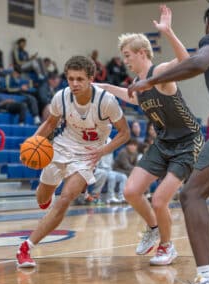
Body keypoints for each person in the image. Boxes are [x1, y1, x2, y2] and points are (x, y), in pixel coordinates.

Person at [129, 2, 209, 284]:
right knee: (188, 192)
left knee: (192, 193)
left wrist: (152, 80)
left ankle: (208, 281)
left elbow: (197, 63)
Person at [96, 4, 204, 265]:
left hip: (188, 141)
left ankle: (167, 246)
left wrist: (167, 31)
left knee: (158, 199)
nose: (125, 61)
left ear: (142, 53)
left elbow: (186, 61)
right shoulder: (138, 85)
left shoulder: (161, 72)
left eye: (127, 55)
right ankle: (154, 229)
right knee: (131, 191)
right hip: (163, 142)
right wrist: (100, 87)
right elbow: (128, 96)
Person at [16, 55, 130, 268]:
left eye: (80, 79)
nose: (75, 84)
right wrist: (32, 144)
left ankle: (26, 248)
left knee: (66, 198)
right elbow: (50, 124)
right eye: (70, 79)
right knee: (42, 197)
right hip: (61, 146)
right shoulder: (61, 97)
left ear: (90, 79)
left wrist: (103, 150)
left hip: (88, 154)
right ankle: (46, 196)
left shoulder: (106, 101)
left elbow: (124, 133)